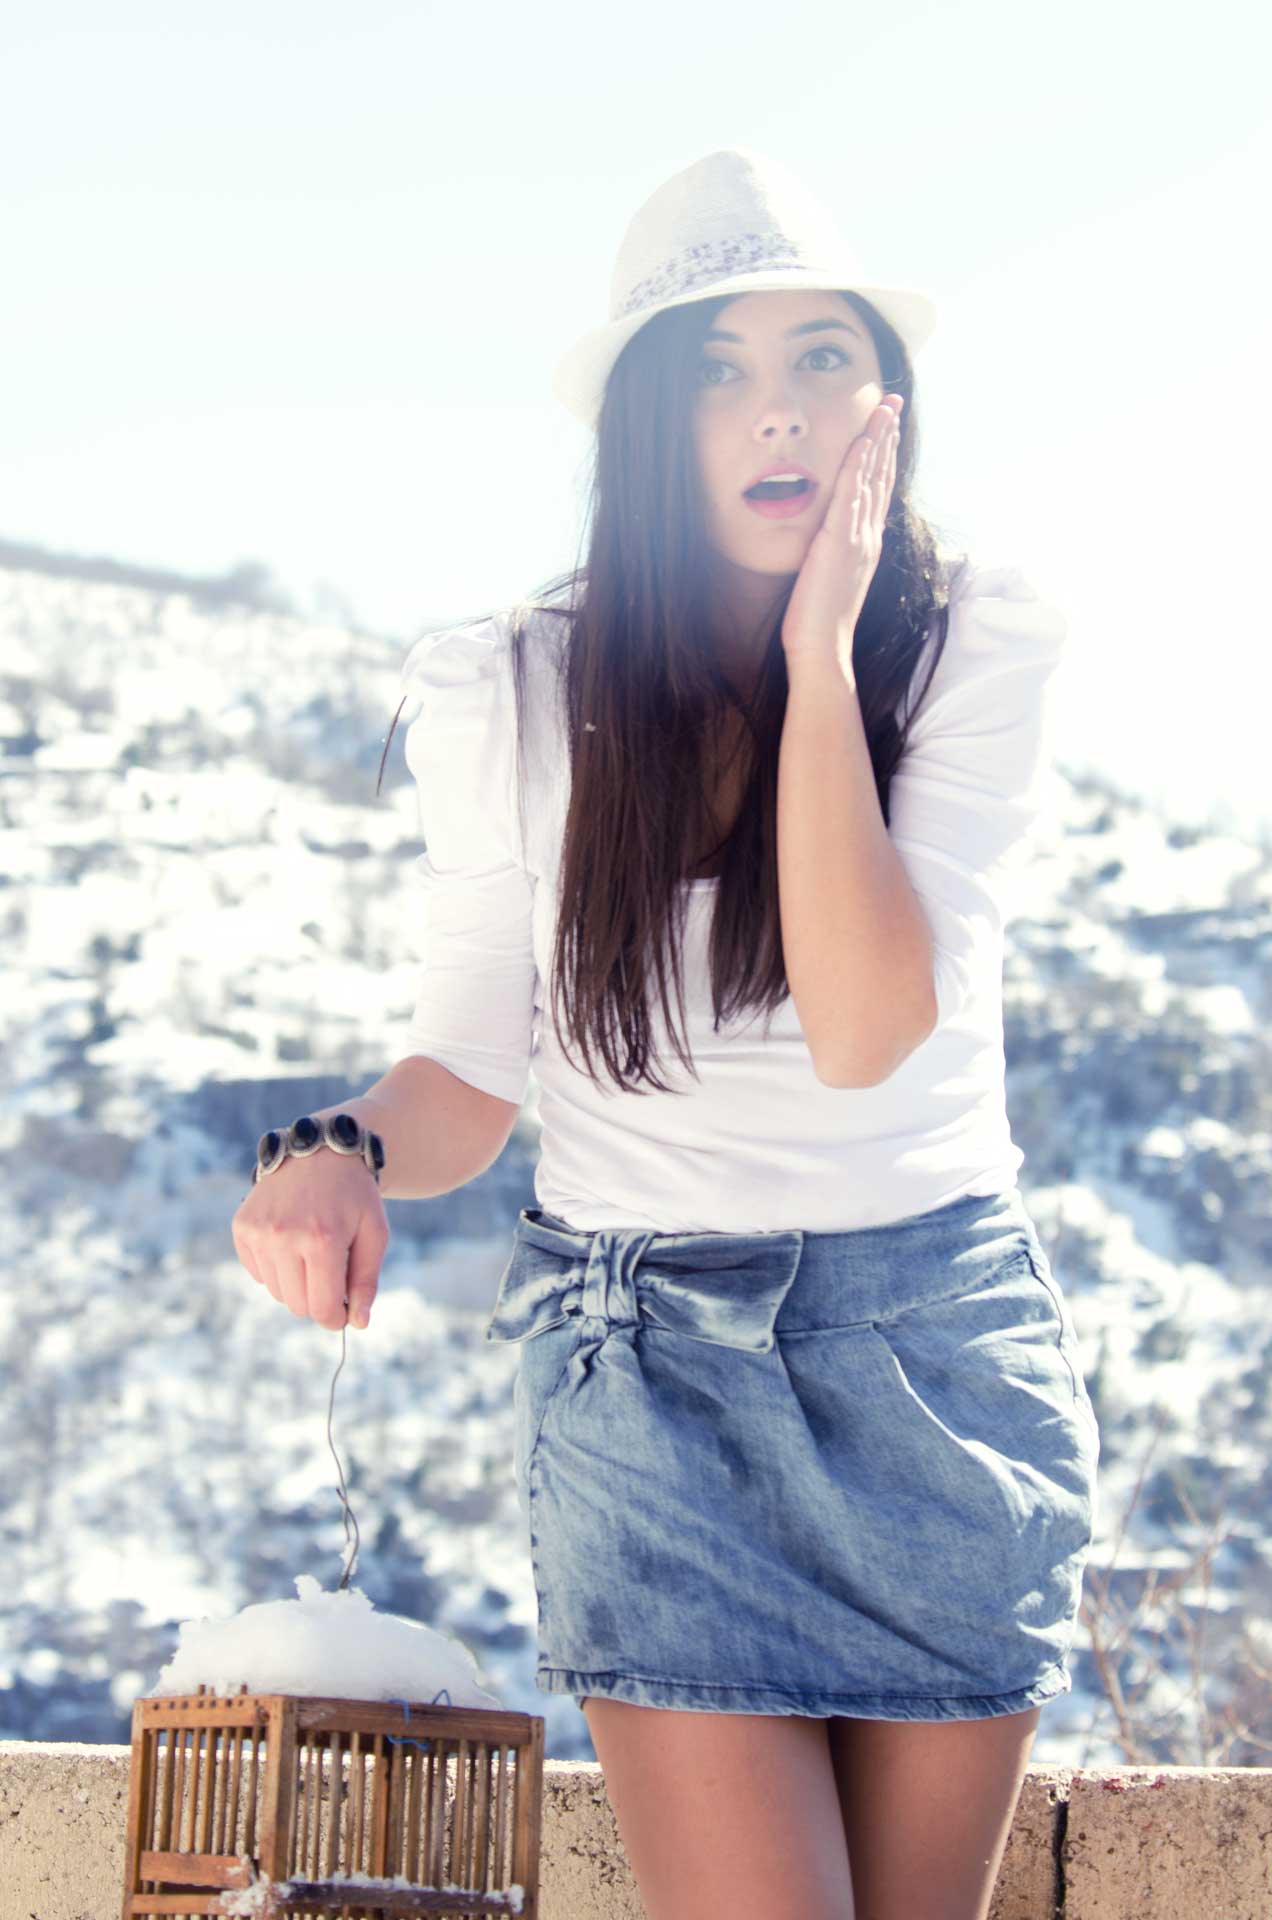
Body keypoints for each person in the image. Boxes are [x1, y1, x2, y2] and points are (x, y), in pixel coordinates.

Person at [232, 147, 1100, 1920]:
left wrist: (819, 660)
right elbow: (470, 1069)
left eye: (821, 358)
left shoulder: (968, 646)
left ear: (886, 400)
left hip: (936, 1360)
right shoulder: (517, 687)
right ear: (646, 423)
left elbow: (867, 1031)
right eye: (717, 370)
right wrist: (341, 1151)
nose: (777, 410)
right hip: (653, 1367)